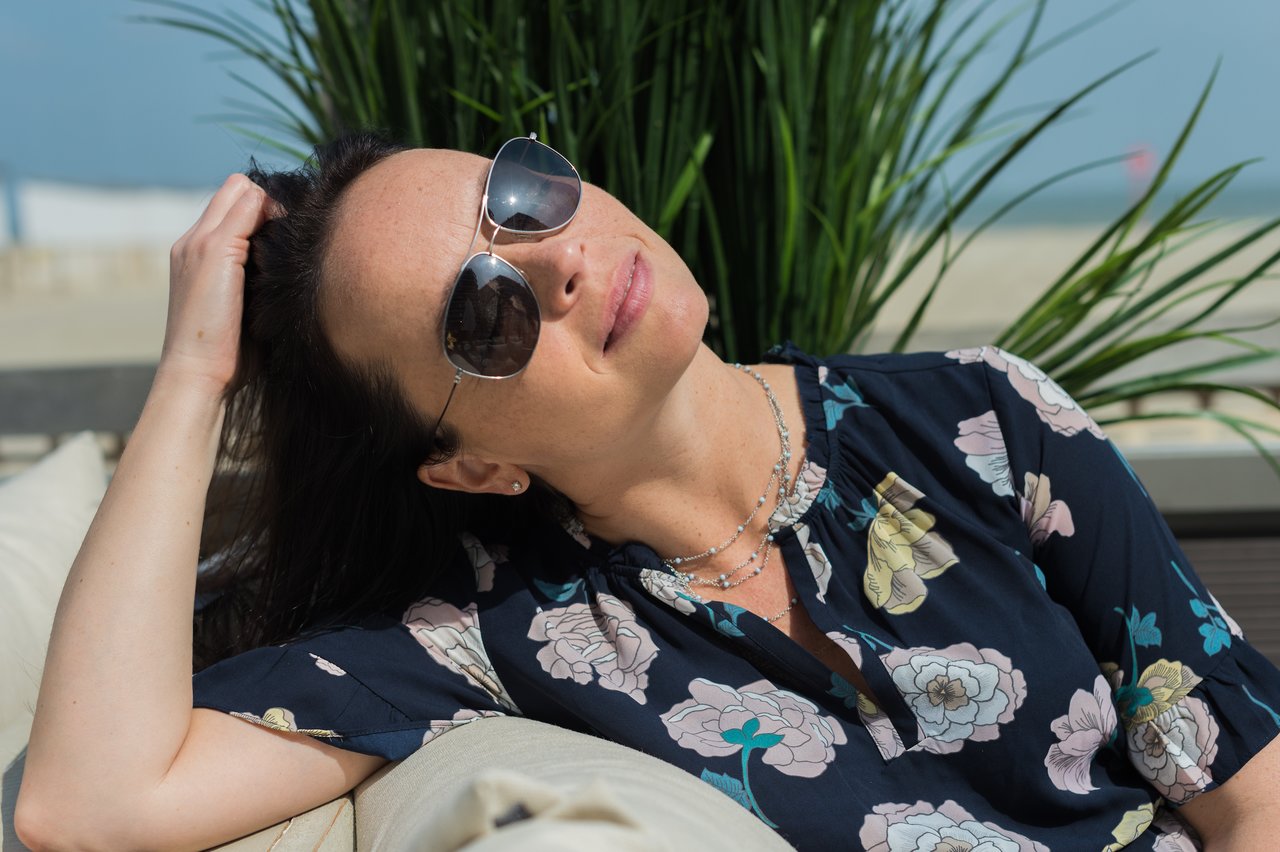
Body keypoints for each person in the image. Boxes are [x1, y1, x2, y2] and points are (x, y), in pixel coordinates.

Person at [15, 133, 1280, 851]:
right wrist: (191, 379)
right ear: (471, 467)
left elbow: (1252, 801)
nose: (557, 261)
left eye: (523, 196)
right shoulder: (479, 642)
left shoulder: (977, 419)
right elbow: (86, 808)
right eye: (481, 311)